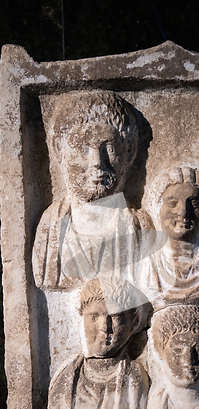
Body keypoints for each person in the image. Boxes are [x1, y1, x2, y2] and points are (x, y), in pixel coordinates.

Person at [32, 90, 153, 292]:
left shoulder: (141, 228)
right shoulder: (48, 234)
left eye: (109, 148)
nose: (97, 162)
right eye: (82, 148)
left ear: (129, 151)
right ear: (59, 149)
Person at [47, 277, 149, 409]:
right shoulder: (67, 376)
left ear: (133, 322)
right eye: (94, 317)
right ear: (81, 317)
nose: (104, 327)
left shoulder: (134, 378)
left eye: (115, 317)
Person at [144, 165, 199, 307]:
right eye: (173, 203)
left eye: (194, 203)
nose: (183, 212)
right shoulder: (148, 269)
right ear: (158, 208)